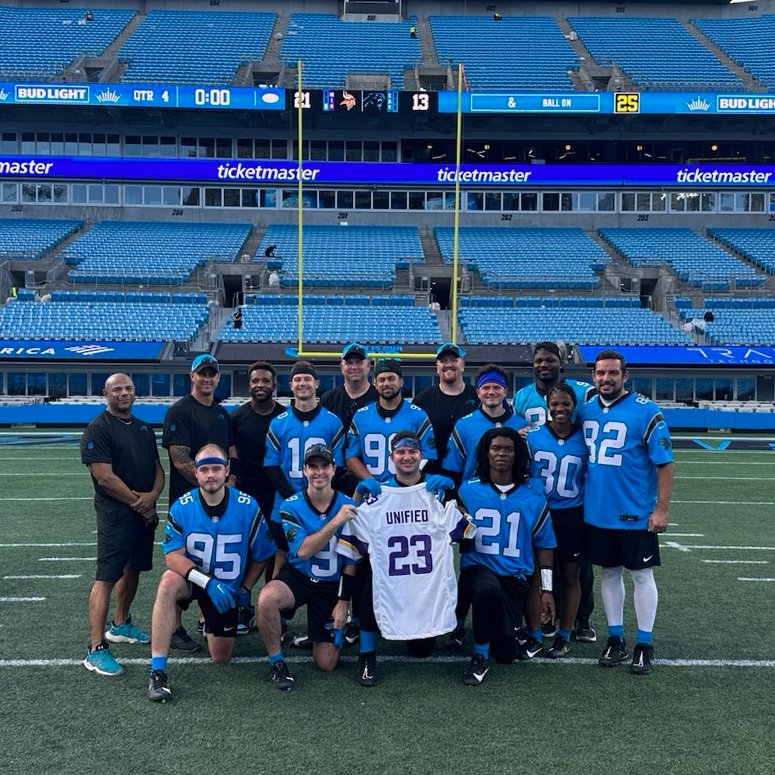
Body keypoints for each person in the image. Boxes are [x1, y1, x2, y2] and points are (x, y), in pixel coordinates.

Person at [338, 431, 470, 686]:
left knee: (423, 650)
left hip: (424, 584)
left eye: (412, 452)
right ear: (392, 457)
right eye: (401, 452)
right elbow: (354, 534)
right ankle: (367, 655)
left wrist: (452, 494)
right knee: (369, 575)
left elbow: (464, 531)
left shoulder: (435, 492)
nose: (407, 457)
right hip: (392, 578)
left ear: (421, 455)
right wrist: (358, 494)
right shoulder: (380, 493)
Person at [146, 445, 275, 701]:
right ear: (196, 473)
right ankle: (157, 671)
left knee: (221, 657)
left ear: (227, 470)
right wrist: (206, 582)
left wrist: (245, 589)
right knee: (167, 583)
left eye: (216, 468)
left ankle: (209, 619)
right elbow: (172, 556)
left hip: (226, 589)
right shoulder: (182, 506)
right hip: (194, 580)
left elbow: (262, 554)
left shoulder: (247, 506)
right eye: (204, 469)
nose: (211, 475)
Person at [579, 349, 673, 675]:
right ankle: (615, 638)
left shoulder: (645, 411)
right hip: (598, 512)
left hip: (634, 511)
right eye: (600, 373)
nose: (606, 378)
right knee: (608, 574)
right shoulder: (585, 410)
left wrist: (661, 510)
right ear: (593, 376)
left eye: (612, 373)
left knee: (642, 575)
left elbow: (664, 463)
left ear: (625, 375)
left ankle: (644, 643)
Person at [456, 427, 556, 685]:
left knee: (506, 654)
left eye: (509, 449)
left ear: (517, 454)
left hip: (514, 580)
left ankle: (498, 636)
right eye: (496, 448)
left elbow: (544, 545)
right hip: (478, 573)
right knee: (486, 587)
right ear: (486, 453)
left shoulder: (532, 497)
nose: (502, 454)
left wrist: (547, 590)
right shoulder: (467, 491)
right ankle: (478, 656)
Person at [513, 340, 597, 643]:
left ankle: (579, 619)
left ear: (561, 363)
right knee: (538, 567)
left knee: (576, 570)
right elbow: (515, 433)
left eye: (550, 360)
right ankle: (541, 619)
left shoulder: (582, 392)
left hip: (572, 504)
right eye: (539, 360)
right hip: (540, 503)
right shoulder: (522, 397)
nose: (543, 365)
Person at [81, 373, 164, 676]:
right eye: (117, 389)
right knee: (107, 576)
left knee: (134, 569)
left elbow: (157, 468)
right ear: (105, 393)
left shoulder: (142, 428)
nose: (124, 393)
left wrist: (153, 496)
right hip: (117, 514)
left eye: (128, 388)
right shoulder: (98, 429)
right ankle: (95, 647)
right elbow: (104, 477)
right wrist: (138, 502)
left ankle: (121, 623)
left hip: (143, 512)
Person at [257, 444, 357, 690]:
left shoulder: (348, 504)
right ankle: (277, 662)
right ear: (304, 470)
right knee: (267, 598)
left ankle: (325, 633)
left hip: (331, 584)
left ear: (334, 470)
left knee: (327, 664)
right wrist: (336, 520)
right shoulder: (291, 505)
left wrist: (343, 602)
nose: (319, 472)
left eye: (325, 466)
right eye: (313, 466)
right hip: (300, 577)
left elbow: (352, 560)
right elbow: (302, 551)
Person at [162, 354, 237, 652]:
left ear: (217, 378)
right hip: (189, 503)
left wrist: (227, 486)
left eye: (212, 374)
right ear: (191, 376)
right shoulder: (180, 411)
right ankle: (175, 626)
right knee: (182, 564)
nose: (207, 379)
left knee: (213, 558)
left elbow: (231, 452)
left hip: (218, 501)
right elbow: (180, 461)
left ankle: (205, 616)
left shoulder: (220, 414)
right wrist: (211, 487)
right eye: (202, 374)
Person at [526, 384, 588, 658]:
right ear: (547, 406)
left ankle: (564, 634)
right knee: (537, 575)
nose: (560, 409)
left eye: (566, 404)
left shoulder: (584, 439)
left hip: (572, 515)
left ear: (574, 406)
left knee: (571, 575)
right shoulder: (533, 437)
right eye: (555, 404)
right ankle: (536, 633)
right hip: (541, 515)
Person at [229, 360, 285, 633]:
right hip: (245, 494)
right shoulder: (238, 417)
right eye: (255, 381)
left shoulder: (285, 416)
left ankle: (271, 608)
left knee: (275, 551)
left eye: (265, 380)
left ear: (274, 385)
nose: (260, 385)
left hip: (276, 493)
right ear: (249, 384)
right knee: (245, 550)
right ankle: (243, 606)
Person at [346, 359, 436, 491]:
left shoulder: (418, 415)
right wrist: (369, 480)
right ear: (375, 384)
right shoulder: (361, 416)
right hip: (373, 490)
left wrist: (406, 480)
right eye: (382, 380)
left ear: (401, 382)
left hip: (408, 489)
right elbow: (351, 456)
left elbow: (428, 454)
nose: (386, 384)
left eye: (391, 379)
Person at [442, 364, 527, 485]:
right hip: (474, 496)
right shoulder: (463, 425)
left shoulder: (521, 425)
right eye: (486, 387)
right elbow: (452, 468)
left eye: (497, 387)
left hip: (512, 496)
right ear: (478, 392)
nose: (491, 392)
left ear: (505, 392)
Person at [321, 342, 379, 497]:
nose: (354, 367)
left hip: (371, 474)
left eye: (359, 362)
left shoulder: (379, 398)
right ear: (341, 366)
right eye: (349, 363)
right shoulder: (329, 399)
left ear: (368, 365)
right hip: (334, 478)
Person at [412, 343, 479, 468]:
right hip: (432, 476)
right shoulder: (422, 400)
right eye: (443, 361)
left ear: (462, 365)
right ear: (437, 367)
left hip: (471, 473)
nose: (448, 365)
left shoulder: (478, 397)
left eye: (454, 360)